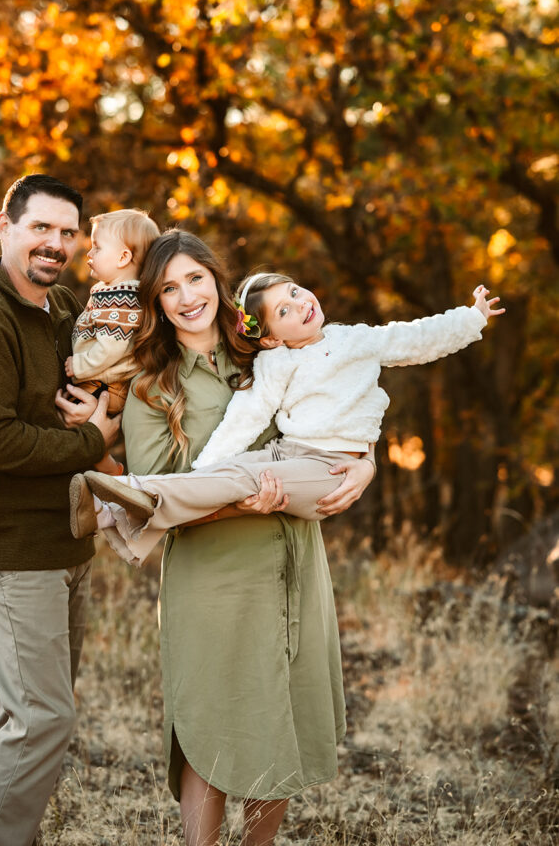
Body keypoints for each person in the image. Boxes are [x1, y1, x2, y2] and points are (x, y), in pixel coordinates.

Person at [78, 230, 376, 846]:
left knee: (278, 717)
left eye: (196, 279)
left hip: (294, 562)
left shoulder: (268, 352)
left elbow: (336, 415)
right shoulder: (153, 384)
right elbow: (165, 497)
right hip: (212, 578)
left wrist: (366, 462)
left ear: (217, 281)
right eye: (169, 289)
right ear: (156, 304)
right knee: (208, 724)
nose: (187, 297)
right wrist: (247, 502)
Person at [0, 174, 119, 846]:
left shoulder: (61, 305)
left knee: (31, 721)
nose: (55, 243)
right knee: (42, 722)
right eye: (41, 227)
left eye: (68, 232)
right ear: (4, 225)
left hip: (67, 540)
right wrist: (91, 439)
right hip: (12, 550)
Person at [69, 274, 503, 565]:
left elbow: (417, 338)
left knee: (243, 481)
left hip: (330, 467)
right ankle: (111, 514)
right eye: (282, 311)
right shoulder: (276, 363)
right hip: (287, 452)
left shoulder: (357, 340)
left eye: (294, 293)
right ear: (272, 336)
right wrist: (209, 468)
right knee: (237, 471)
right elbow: (247, 416)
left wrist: (472, 317)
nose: (299, 305)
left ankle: (126, 496)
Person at [65, 207, 160, 413]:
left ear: (123, 258)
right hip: (98, 383)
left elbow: (110, 348)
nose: (89, 253)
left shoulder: (121, 300)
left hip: (104, 388)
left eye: (97, 248)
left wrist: (80, 365)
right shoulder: (114, 292)